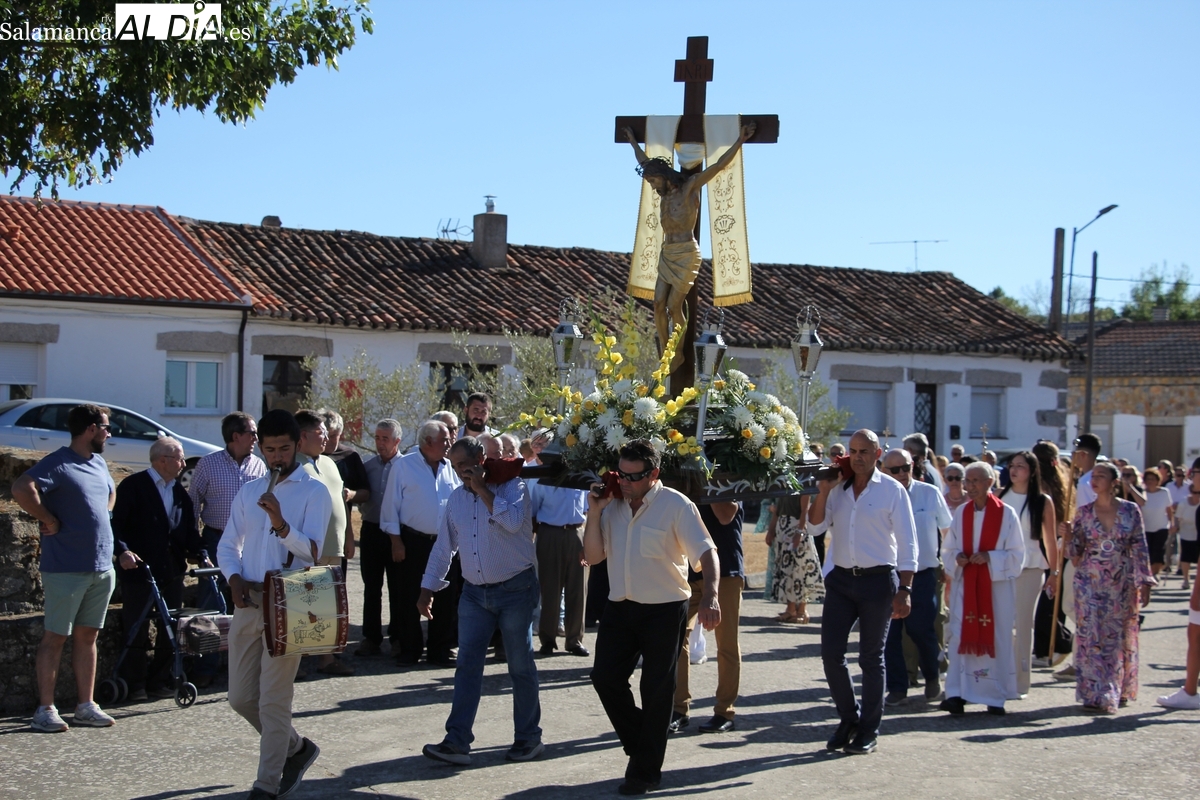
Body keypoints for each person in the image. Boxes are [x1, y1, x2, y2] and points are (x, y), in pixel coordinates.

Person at [585, 440, 719, 794]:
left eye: (633, 476)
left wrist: (712, 597)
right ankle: (644, 744)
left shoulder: (676, 505)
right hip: (620, 606)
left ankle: (644, 771)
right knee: (605, 678)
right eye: (620, 474)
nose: (624, 482)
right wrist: (594, 513)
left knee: (657, 690)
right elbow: (594, 558)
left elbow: (707, 553)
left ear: (654, 474)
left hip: (664, 608)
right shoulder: (611, 504)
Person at [218, 409, 330, 799]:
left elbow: (313, 552)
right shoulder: (249, 491)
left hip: (295, 600)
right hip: (248, 599)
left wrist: (282, 525)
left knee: (273, 700)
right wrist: (231, 577)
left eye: (284, 448)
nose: (278, 457)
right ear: (260, 448)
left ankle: (266, 785)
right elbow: (228, 543)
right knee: (241, 698)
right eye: (270, 450)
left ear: (298, 444)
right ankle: (297, 749)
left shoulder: (314, 491)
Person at [418, 437, 544, 766]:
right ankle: (456, 741)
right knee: (467, 667)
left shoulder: (513, 488)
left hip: (516, 590)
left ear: (480, 458)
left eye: (465, 465)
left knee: (519, 665)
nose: (461, 472)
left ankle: (529, 738)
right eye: (456, 467)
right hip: (474, 595)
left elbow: (516, 524)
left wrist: (484, 491)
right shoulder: (456, 500)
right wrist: (427, 589)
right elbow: (444, 548)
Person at [807, 429, 918, 754]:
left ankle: (868, 729)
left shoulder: (893, 491)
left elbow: (909, 543)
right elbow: (814, 527)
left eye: (864, 451)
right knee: (831, 655)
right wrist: (824, 492)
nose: (857, 456)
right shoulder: (838, 488)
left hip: (878, 582)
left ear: (877, 453)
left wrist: (906, 588)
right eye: (853, 451)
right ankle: (849, 718)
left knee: (871, 658)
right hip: (841, 580)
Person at [13, 404, 119, 732]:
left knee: (89, 636)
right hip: (66, 568)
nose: (109, 433)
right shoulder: (58, 463)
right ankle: (45, 710)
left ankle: (85, 706)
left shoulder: (98, 463)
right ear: (90, 429)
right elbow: (21, 488)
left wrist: (102, 516)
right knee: (56, 637)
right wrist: (48, 519)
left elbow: (111, 494)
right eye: (105, 427)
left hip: (100, 567)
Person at [622, 122, 755, 366]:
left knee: (674, 306)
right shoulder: (664, 193)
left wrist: (739, 142)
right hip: (667, 252)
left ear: (663, 177)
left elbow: (717, 166)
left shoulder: (689, 188)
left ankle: (678, 351)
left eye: (653, 181)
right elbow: (644, 162)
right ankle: (666, 351)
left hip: (686, 252)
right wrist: (633, 142)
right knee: (658, 303)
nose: (652, 186)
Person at [112, 436, 204, 701]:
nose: (184, 464)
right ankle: (135, 682)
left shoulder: (178, 492)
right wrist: (123, 551)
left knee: (172, 625)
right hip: (140, 570)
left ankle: (159, 679)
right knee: (136, 625)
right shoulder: (134, 486)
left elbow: (188, 532)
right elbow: (117, 525)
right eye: (180, 458)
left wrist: (202, 553)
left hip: (170, 570)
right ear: (163, 460)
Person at [1066, 462, 1155, 714]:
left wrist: (1145, 580)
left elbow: (1140, 546)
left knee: (1117, 635)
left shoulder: (1130, 511)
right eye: (1093, 476)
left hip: (1121, 580)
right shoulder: (1083, 512)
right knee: (1091, 634)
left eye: (1101, 476)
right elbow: (1074, 553)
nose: (1094, 481)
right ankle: (1094, 691)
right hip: (1088, 580)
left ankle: (1117, 688)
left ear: (1114, 482)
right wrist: (1068, 535)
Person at [188, 411, 268, 687]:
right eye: (252, 433)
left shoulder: (259, 466)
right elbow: (192, 502)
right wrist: (194, 542)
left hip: (251, 542)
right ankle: (205, 667)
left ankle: (243, 667)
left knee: (249, 603)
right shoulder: (208, 465)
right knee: (211, 605)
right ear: (236, 436)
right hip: (216, 540)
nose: (256, 439)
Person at [940, 462, 1025, 716]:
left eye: (976, 481)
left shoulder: (1006, 514)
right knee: (959, 634)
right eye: (967, 481)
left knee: (996, 636)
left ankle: (993, 696)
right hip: (966, 586)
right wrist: (958, 558)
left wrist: (990, 558)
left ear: (990, 483)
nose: (969, 486)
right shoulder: (961, 514)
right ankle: (957, 693)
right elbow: (948, 548)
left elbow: (1017, 554)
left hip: (994, 590)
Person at [380, 420, 462, 667]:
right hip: (413, 541)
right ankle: (409, 649)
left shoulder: (451, 468)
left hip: (446, 543)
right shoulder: (404, 466)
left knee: (445, 598)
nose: (450, 443)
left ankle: (440, 649)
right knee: (408, 596)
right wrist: (396, 541)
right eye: (445, 439)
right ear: (428, 442)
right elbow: (390, 507)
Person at [881, 448, 951, 706]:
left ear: (913, 467)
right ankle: (898, 687)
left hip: (923, 574)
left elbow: (947, 529)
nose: (901, 474)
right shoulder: (880, 495)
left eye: (906, 468)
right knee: (890, 634)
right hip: (889, 574)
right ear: (883, 470)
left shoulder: (929, 493)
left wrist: (947, 564)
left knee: (922, 630)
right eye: (894, 469)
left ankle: (932, 677)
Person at [673, 502, 744, 734]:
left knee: (726, 644)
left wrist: (707, 482)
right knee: (675, 638)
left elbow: (726, 514)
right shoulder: (683, 474)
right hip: (687, 569)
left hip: (725, 568)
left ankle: (725, 711)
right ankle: (678, 709)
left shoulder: (730, 473)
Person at [294, 410, 353, 678]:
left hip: (334, 547)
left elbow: (341, 502)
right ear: (303, 436)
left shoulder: (328, 463)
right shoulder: (292, 466)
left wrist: (349, 537)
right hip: (308, 548)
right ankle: (291, 662)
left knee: (327, 606)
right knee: (302, 605)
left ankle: (326, 658)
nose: (327, 437)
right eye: (321, 432)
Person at [997, 451, 1059, 697]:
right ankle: (1001, 677)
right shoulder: (1000, 496)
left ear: (1032, 471)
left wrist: (1054, 573)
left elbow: (1050, 541)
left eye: (1020, 466)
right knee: (1002, 626)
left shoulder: (1042, 501)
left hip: (1031, 568)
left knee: (1023, 625)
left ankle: (1021, 682)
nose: (1014, 470)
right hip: (1002, 569)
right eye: (1012, 465)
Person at [357, 420, 403, 657]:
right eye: (377, 438)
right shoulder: (367, 467)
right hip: (372, 531)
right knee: (371, 586)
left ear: (397, 441)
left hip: (397, 533)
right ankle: (371, 638)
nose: (380, 443)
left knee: (398, 587)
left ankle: (397, 637)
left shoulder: (407, 467)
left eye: (385, 439)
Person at [529, 475, 589, 656]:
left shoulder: (581, 481)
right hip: (549, 532)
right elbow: (533, 512)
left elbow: (587, 509)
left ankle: (574, 640)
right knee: (550, 590)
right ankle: (548, 639)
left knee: (578, 589)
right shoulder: (542, 482)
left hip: (577, 533)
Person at [1031, 441, 1075, 668]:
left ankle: (1055, 644)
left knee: (1048, 599)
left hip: (1048, 545)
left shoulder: (1043, 486)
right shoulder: (1063, 481)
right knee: (1051, 599)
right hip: (1057, 544)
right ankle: (1054, 643)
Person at [765, 494, 823, 624]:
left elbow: (805, 510)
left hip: (796, 527)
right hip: (783, 527)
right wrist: (771, 529)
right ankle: (790, 609)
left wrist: (799, 532)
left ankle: (802, 610)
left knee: (800, 569)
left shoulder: (802, 483)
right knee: (787, 571)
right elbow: (778, 510)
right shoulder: (783, 482)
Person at [1139, 467, 1174, 584]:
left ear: (1157, 480)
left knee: (1158, 551)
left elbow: (1169, 509)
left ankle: (1154, 573)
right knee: (1148, 552)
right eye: (1148, 479)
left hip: (1162, 526)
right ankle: (1148, 573)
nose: (1150, 481)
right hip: (1146, 528)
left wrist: (1172, 523)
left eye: (1153, 479)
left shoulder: (1164, 492)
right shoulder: (1142, 494)